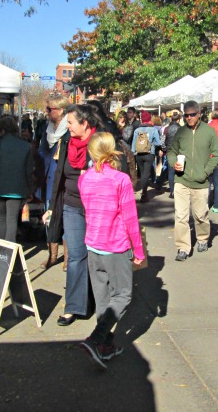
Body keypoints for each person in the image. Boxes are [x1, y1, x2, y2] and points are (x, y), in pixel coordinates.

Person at [77, 132, 146, 369]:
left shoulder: (84, 178)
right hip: (114, 245)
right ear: (113, 150)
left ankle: (104, 345)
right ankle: (97, 339)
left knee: (103, 297)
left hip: (93, 243)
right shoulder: (120, 179)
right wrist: (139, 250)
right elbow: (130, 218)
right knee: (123, 294)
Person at [42, 104, 99, 326]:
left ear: (85, 124)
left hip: (96, 208)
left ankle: (96, 301)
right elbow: (60, 176)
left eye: (71, 122)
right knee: (76, 255)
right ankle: (74, 306)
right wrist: (52, 206)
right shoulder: (66, 141)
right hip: (72, 205)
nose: (67, 125)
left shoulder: (99, 142)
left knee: (95, 256)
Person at [167, 100, 218, 260]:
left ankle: (203, 238)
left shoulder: (209, 132)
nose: (189, 118)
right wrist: (173, 163)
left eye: (192, 115)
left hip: (201, 182)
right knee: (181, 216)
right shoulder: (181, 132)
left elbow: (216, 154)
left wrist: (205, 172)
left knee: (201, 215)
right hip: (181, 181)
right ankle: (183, 247)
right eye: (186, 115)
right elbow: (171, 151)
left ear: (199, 114)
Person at [0, 116, 35, 243]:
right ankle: (10, 250)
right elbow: (29, 171)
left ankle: (1, 249)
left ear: (2, 130)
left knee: (1, 219)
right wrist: (30, 189)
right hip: (18, 189)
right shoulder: (25, 146)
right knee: (12, 220)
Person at [38, 94, 69, 269]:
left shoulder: (70, 129)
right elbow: (42, 152)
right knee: (49, 218)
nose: (47, 112)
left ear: (61, 110)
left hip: (64, 180)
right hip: (49, 178)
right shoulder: (47, 128)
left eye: (50, 109)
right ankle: (52, 255)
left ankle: (67, 257)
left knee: (65, 217)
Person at [130, 111, 162, 203]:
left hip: (139, 154)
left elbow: (133, 144)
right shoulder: (153, 129)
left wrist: (133, 153)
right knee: (146, 173)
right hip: (149, 153)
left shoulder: (137, 130)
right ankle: (144, 193)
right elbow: (159, 142)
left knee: (142, 171)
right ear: (149, 119)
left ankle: (143, 190)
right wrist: (152, 144)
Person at [161, 111, 181, 197]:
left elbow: (163, 141)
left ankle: (172, 191)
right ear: (179, 120)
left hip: (169, 152)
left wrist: (165, 150)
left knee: (171, 172)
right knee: (180, 171)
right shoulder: (182, 129)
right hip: (180, 152)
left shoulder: (166, 129)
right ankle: (179, 191)